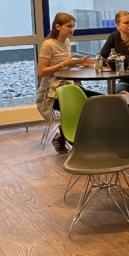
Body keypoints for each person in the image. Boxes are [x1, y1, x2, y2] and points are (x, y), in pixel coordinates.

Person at [36, 11, 93, 153]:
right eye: (69, 26)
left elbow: (65, 66)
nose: (72, 29)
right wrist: (65, 64)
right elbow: (41, 72)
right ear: (58, 27)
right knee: (85, 104)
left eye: (73, 26)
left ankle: (64, 136)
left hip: (67, 86)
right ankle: (67, 136)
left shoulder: (66, 42)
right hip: (51, 92)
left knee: (95, 100)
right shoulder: (48, 45)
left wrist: (80, 63)